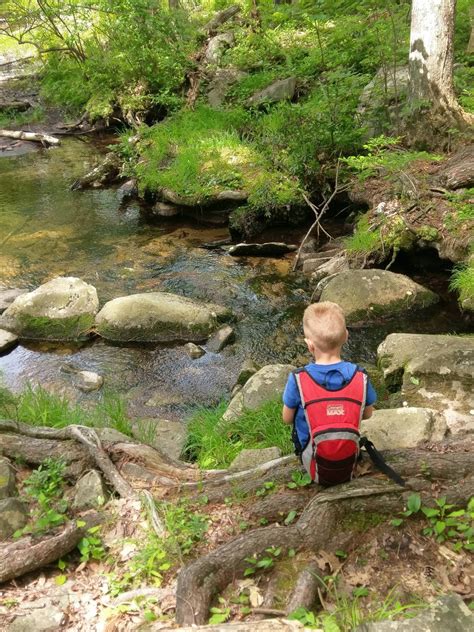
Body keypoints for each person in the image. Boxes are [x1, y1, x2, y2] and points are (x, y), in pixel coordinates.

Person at [282, 301, 377, 486]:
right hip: (348, 456)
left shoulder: (298, 379)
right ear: (346, 336)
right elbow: (368, 413)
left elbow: (286, 418)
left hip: (312, 459)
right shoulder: (360, 376)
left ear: (309, 345)